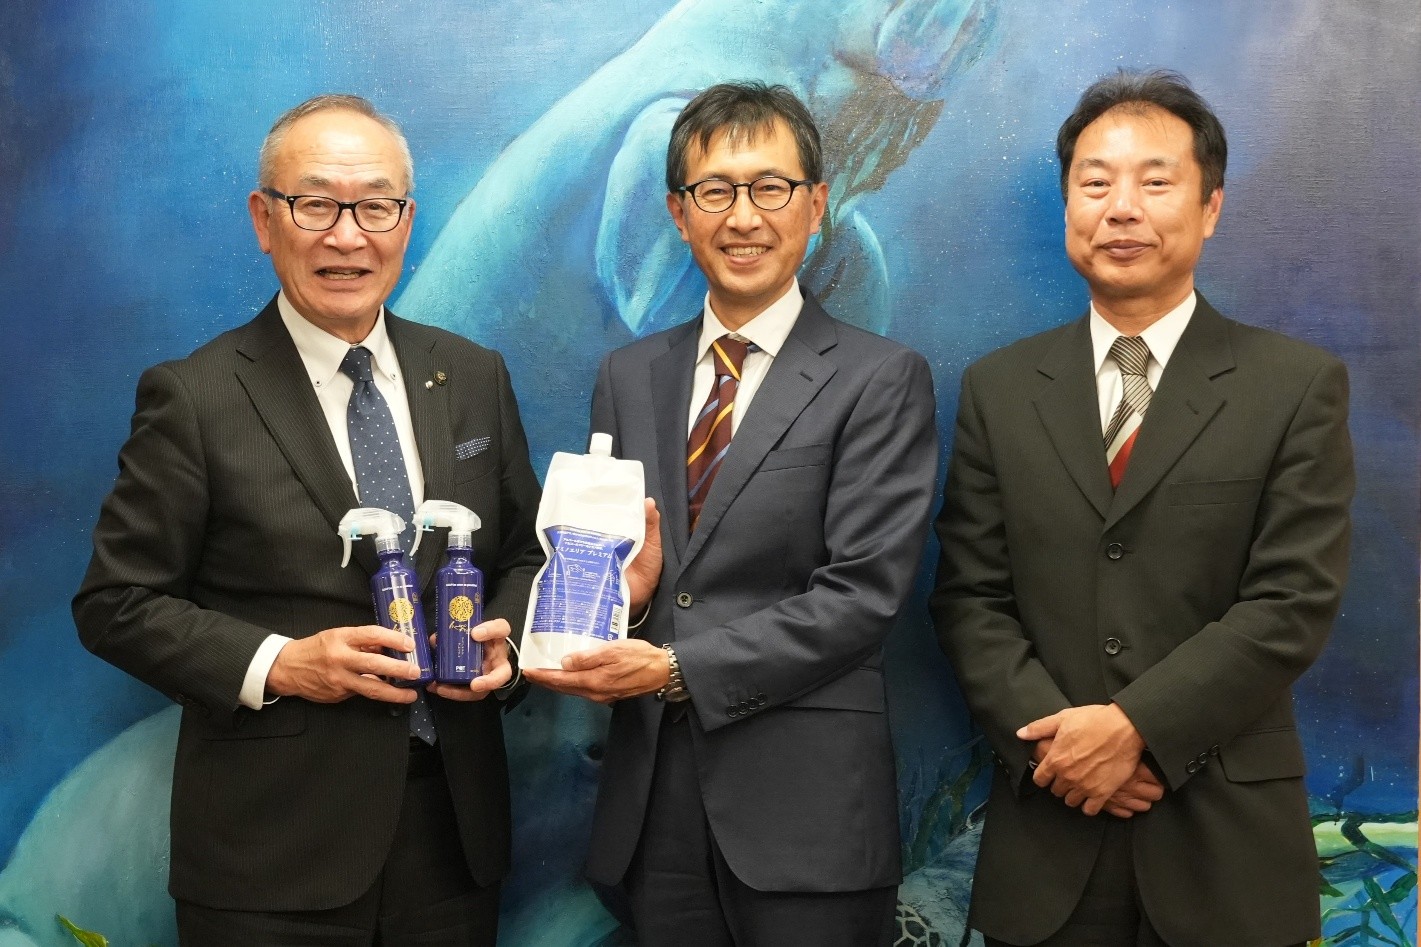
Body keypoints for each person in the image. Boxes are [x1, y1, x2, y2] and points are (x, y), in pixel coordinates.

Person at [73, 94, 543, 945]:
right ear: (265, 219)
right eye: (316, 203)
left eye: (375, 206)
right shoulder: (195, 396)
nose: (347, 236)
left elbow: (521, 553)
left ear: (406, 220)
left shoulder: (473, 374)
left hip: (454, 843)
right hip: (269, 858)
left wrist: (504, 647)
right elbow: (116, 603)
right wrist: (283, 664)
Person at [930, 69, 1354, 946]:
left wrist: (1136, 729)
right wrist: (1061, 751)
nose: (1120, 208)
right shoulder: (999, 389)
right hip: (1048, 840)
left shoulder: (1293, 385)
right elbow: (970, 597)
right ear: (1067, 207)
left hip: (1225, 846)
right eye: (1095, 183)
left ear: (1209, 207)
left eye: (1154, 182)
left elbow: (1291, 601)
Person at [524, 81, 938, 946]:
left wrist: (674, 668)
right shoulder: (627, 376)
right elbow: (630, 572)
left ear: (815, 205)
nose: (742, 216)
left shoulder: (880, 377)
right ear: (678, 213)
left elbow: (862, 595)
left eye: (769, 188)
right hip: (652, 814)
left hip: (806, 818)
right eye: (714, 190)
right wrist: (628, 597)